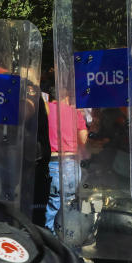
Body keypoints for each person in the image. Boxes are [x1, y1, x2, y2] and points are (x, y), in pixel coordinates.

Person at [46, 91, 88, 231]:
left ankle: (52, 244)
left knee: (53, 208)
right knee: (68, 207)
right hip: (72, 164)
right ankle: (68, 244)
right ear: (66, 95)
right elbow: (84, 139)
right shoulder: (74, 112)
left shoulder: (45, 109)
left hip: (53, 163)